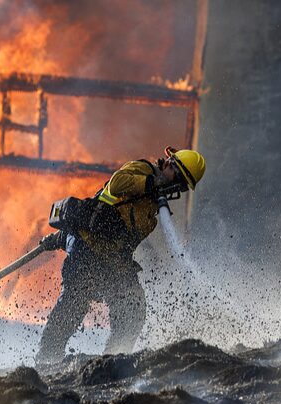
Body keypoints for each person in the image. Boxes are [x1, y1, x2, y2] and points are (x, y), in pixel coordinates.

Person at [35, 147, 205, 364]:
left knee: (133, 311)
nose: (176, 187)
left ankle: (110, 363)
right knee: (75, 302)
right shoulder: (144, 170)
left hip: (113, 261)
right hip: (88, 246)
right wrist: (150, 184)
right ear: (170, 164)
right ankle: (46, 362)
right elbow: (117, 183)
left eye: (182, 186)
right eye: (178, 179)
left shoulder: (151, 213)